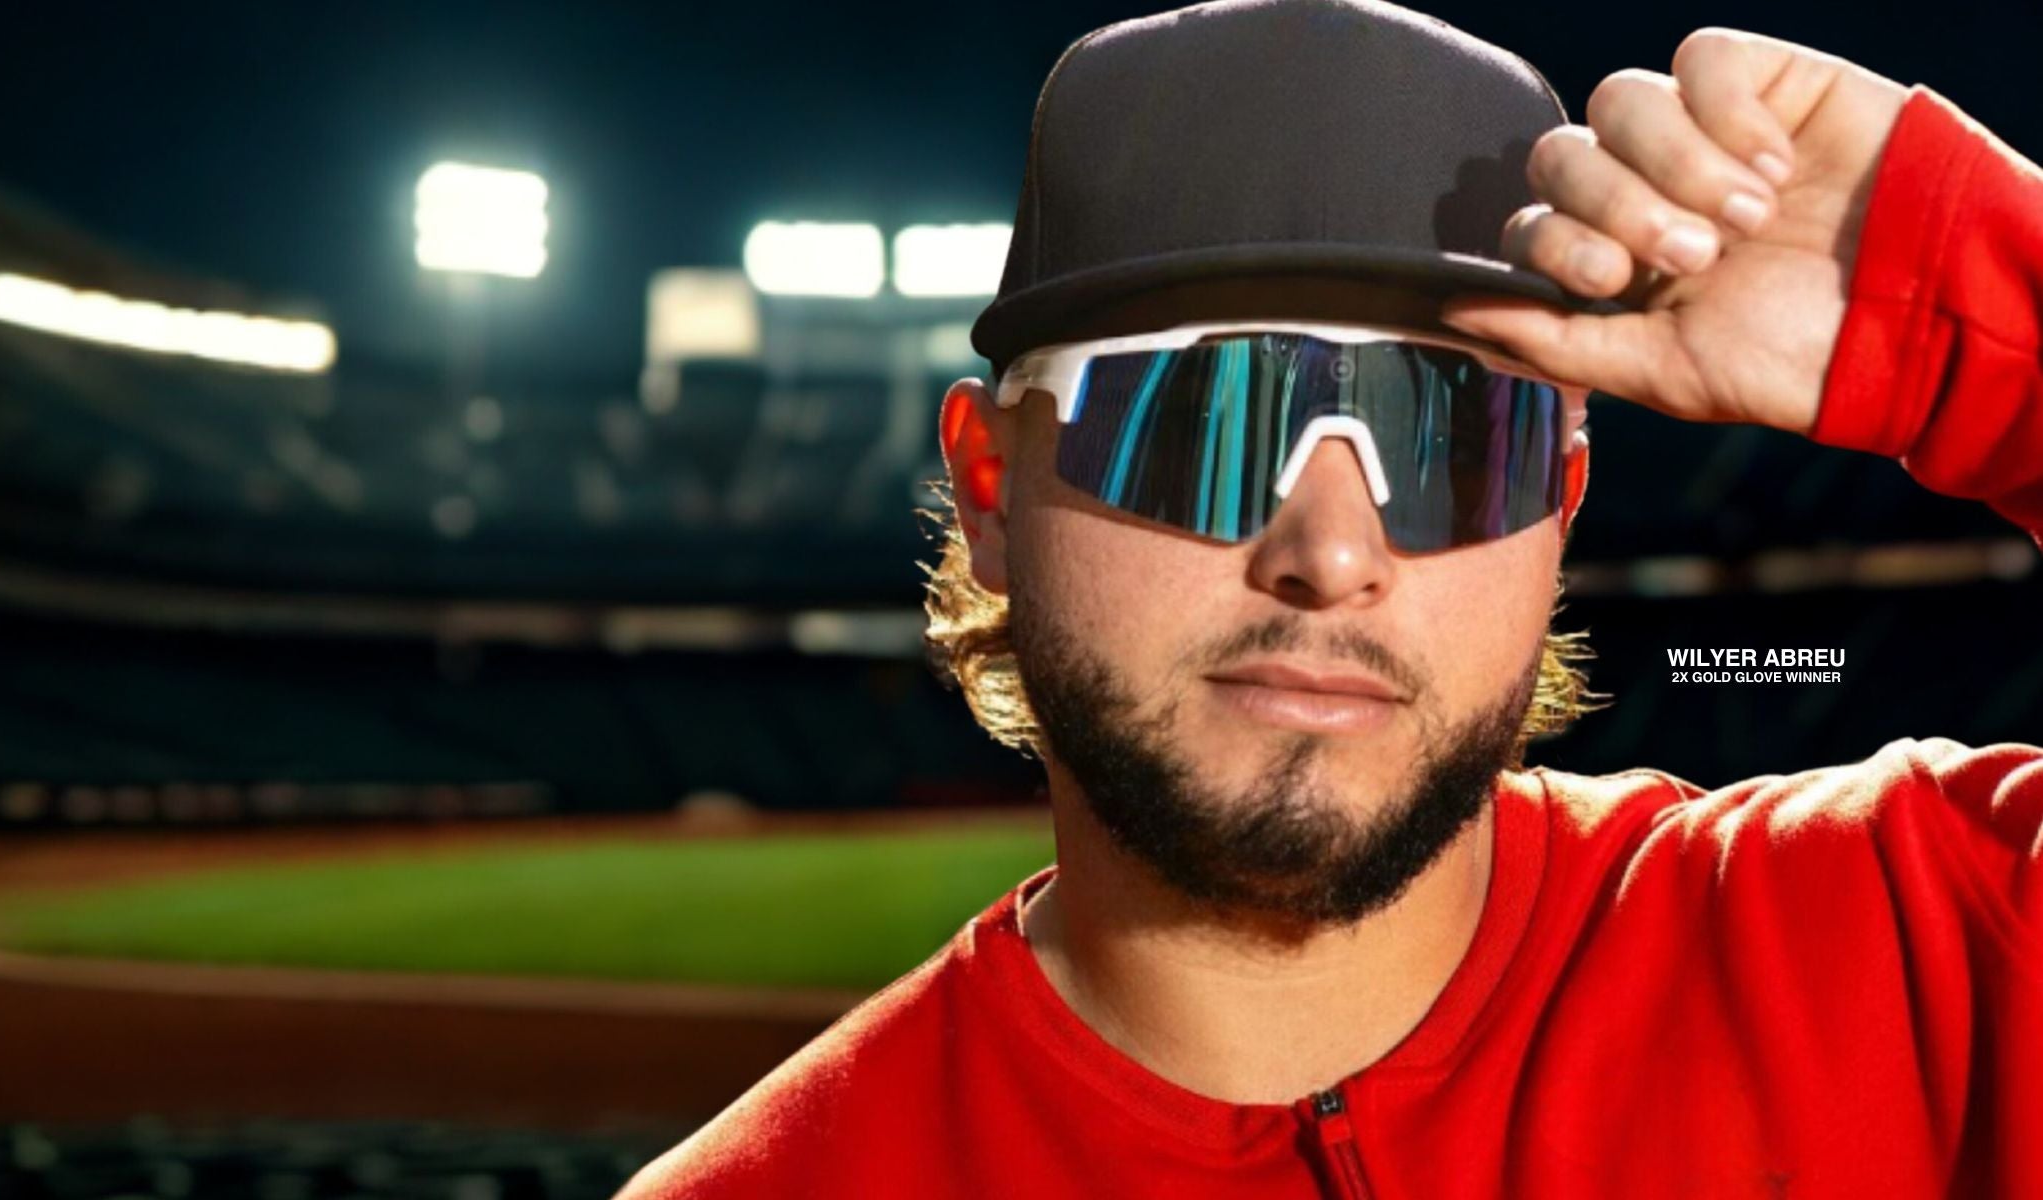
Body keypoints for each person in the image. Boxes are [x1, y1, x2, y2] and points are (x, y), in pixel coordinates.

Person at [620, 0, 2042, 1194]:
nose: (1332, 551)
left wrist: (1972, 306)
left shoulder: (1929, 949)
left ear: (1563, 509)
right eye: (1195, 420)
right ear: (990, 489)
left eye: (1453, 443)